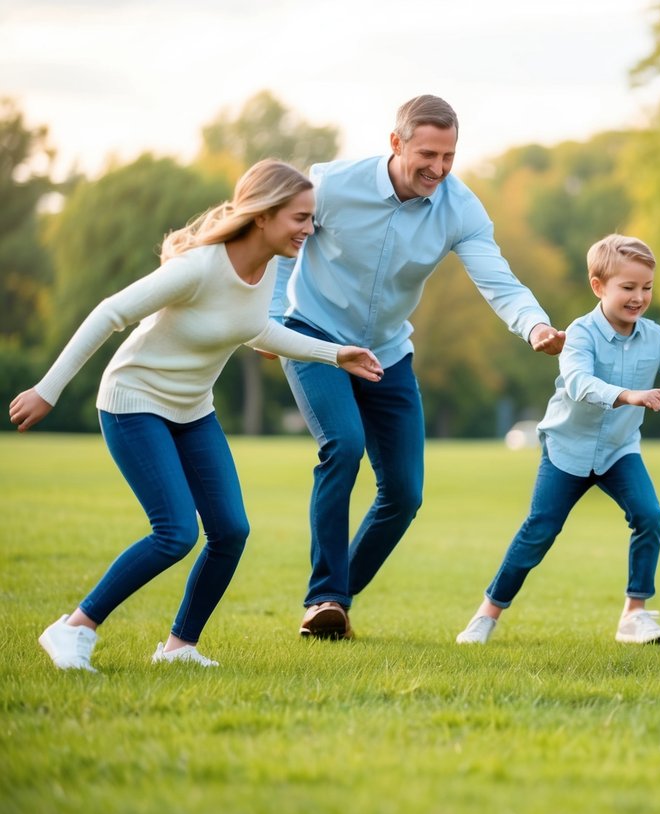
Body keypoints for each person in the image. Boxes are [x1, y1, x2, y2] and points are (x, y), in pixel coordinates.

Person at [10, 160, 384, 672]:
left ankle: (178, 648)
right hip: (134, 403)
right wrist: (47, 391)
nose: (309, 228)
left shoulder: (268, 263)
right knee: (175, 533)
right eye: (299, 217)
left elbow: (255, 329)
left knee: (230, 531)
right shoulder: (198, 267)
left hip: (192, 410)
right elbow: (109, 313)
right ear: (263, 215)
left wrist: (335, 353)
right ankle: (73, 628)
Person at [271, 94, 565, 640]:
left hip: (387, 352)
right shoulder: (331, 186)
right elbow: (274, 241)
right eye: (427, 153)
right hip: (315, 336)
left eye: (449, 156)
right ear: (396, 143)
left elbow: (498, 281)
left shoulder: (461, 209)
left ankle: (334, 604)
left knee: (404, 494)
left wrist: (536, 326)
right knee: (343, 445)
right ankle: (325, 597)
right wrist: (271, 324)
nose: (438, 168)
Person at [455, 233, 660, 646]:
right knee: (540, 530)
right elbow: (579, 383)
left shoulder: (655, 337)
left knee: (649, 516)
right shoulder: (580, 335)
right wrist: (627, 395)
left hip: (619, 451)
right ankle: (487, 614)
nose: (638, 297)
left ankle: (634, 616)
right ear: (598, 286)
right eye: (628, 287)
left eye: (647, 287)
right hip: (566, 450)